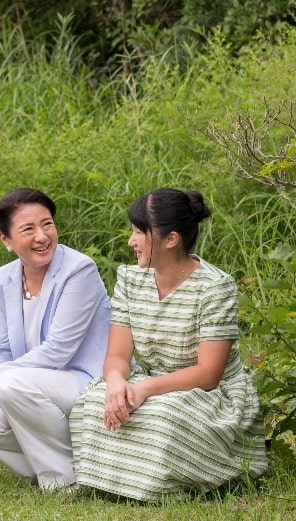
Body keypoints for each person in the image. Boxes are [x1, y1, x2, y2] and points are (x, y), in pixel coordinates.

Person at [70, 187, 268, 501]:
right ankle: (123, 482)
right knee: (92, 403)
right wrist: (117, 383)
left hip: (210, 394)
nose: (130, 241)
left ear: (170, 239)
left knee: (164, 417)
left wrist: (144, 389)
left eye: (138, 232)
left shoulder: (215, 287)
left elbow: (208, 374)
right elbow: (118, 356)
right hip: (150, 381)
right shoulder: (130, 279)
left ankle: (167, 483)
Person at [0, 188, 111, 490]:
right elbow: (5, 351)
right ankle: (55, 468)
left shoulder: (79, 270)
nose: (42, 236)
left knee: (9, 385)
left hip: (86, 381)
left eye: (47, 224)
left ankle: (63, 482)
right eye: (28, 229)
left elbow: (58, 351)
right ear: (6, 240)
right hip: (29, 386)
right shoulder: (4, 278)